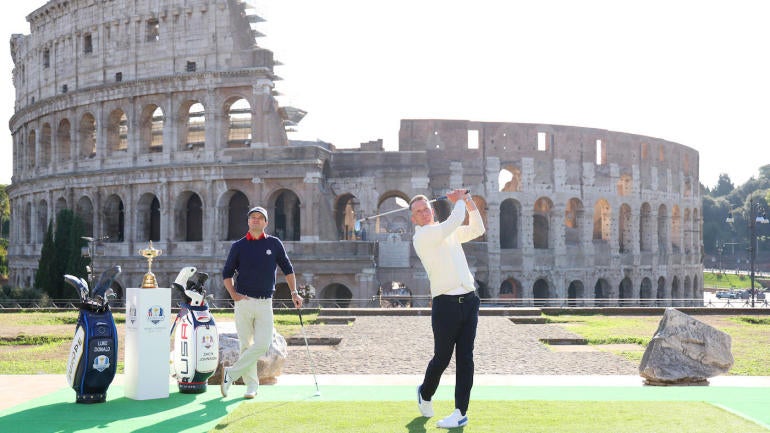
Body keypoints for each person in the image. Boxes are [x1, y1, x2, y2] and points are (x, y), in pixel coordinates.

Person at [410, 189, 485, 429]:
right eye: (418, 211)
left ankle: (460, 411)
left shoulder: (447, 231)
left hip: (470, 301)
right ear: (414, 218)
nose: (423, 213)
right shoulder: (422, 237)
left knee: (466, 358)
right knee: (442, 357)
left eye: (425, 208)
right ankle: (425, 392)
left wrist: (469, 201)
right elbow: (452, 222)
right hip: (445, 305)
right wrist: (460, 200)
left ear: (431, 209)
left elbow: (477, 229)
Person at [220, 206, 303, 399]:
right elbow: (227, 274)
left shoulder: (274, 244)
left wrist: (294, 293)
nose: (256, 220)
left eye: (260, 218)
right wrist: (233, 294)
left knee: (263, 343)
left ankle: (231, 374)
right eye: (252, 218)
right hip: (244, 302)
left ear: (266, 222)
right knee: (245, 346)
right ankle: (251, 386)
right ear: (248, 222)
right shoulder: (238, 246)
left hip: (265, 302)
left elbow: (288, 269)